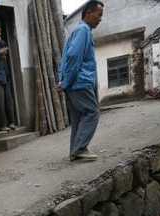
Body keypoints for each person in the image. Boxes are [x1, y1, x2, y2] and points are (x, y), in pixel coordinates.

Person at [56, 1, 104, 161]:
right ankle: (80, 149)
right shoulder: (83, 30)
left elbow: (66, 58)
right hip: (79, 82)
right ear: (89, 13)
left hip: (73, 83)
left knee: (78, 118)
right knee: (92, 112)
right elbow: (73, 58)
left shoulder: (78, 31)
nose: (100, 19)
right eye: (99, 15)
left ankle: (75, 152)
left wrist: (63, 81)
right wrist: (66, 82)